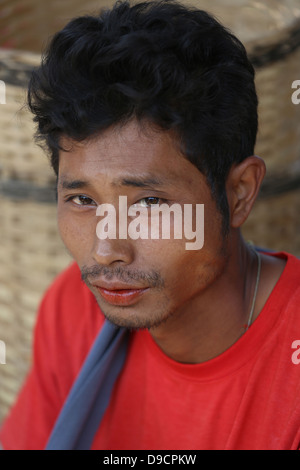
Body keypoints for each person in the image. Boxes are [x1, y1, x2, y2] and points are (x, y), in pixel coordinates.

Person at [1, 0, 300, 450]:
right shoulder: (73, 310)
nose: (106, 251)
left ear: (239, 193)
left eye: (149, 203)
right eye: (82, 199)